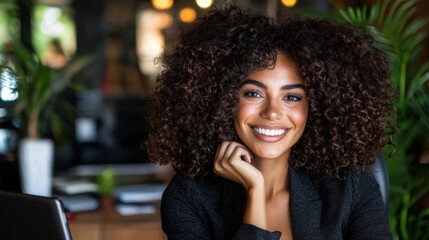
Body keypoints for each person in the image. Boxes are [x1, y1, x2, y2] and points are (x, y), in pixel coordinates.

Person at [148, 6, 395, 240]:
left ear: (317, 107)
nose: (272, 112)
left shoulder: (350, 190)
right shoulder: (190, 198)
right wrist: (256, 192)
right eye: (253, 93)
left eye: (292, 97)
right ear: (222, 99)